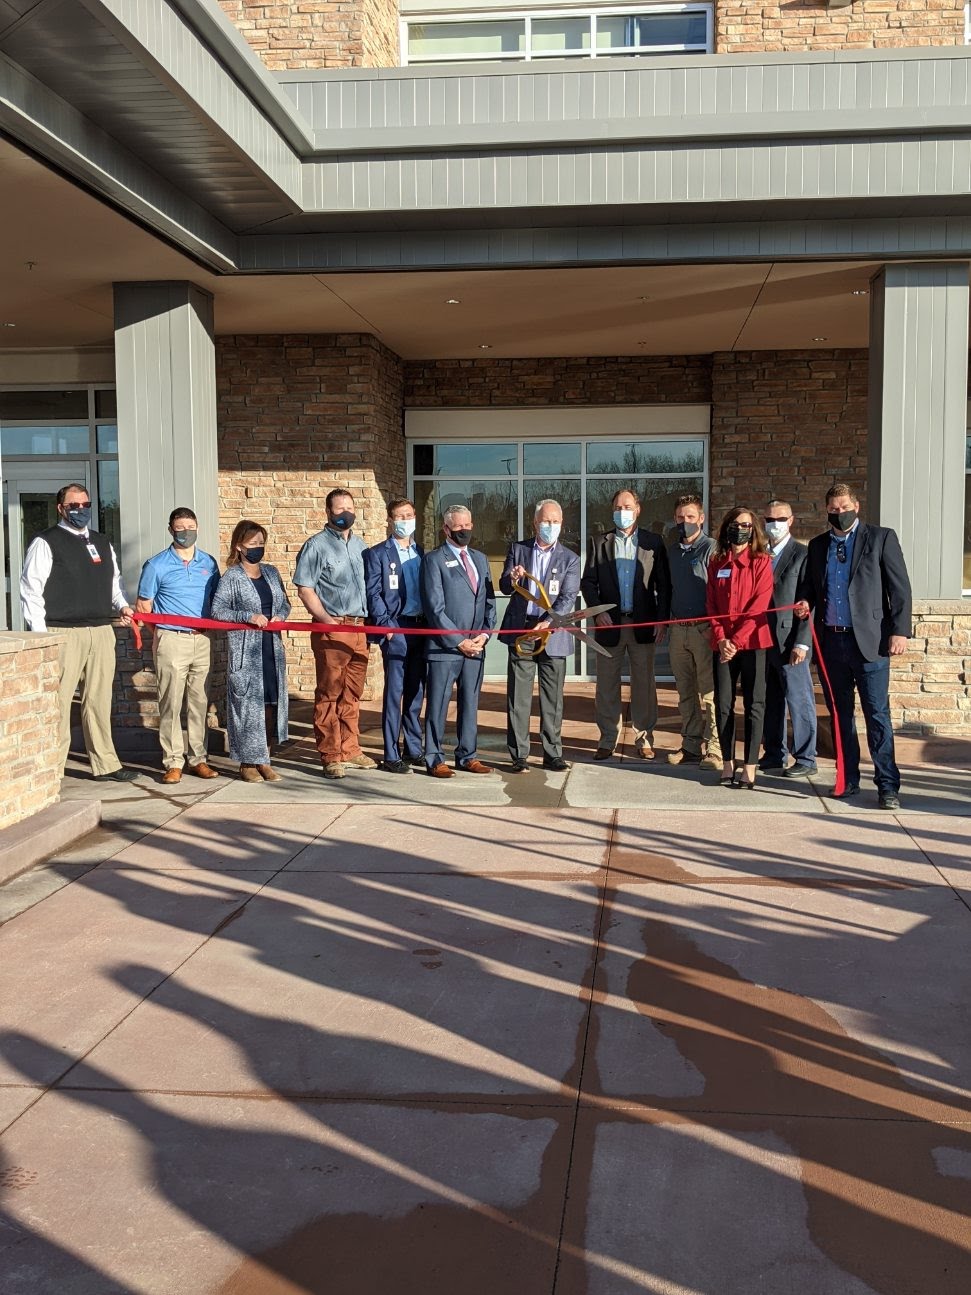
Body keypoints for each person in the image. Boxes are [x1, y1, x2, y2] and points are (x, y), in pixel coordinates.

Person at [794, 483, 912, 810]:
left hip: (870, 643)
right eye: (833, 509)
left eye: (845, 508)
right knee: (840, 716)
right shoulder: (817, 546)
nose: (839, 514)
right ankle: (848, 779)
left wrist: (899, 632)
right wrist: (804, 603)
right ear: (827, 510)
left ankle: (887, 786)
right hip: (832, 642)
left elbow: (900, 589)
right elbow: (810, 589)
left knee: (877, 716)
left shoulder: (881, 538)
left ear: (856, 507)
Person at [19, 482, 137, 781]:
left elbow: (114, 584)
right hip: (63, 632)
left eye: (85, 505)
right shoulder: (46, 542)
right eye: (74, 506)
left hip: (100, 630)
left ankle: (105, 764)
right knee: (57, 702)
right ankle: (52, 768)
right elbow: (31, 591)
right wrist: (41, 636)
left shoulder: (101, 541)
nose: (81, 510)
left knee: (98, 701)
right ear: (61, 508)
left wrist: (123, 605)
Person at [580, 488, 671, 761]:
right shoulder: (600, 542)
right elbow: (588, 582)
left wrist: (661, 621)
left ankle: (644, 738)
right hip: (610, 627)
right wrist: (597, 612)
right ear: (612, 511)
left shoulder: (653, 542)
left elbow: (664, 586)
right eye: (618, 507)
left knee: (644, 685)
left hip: (642, 624)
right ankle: (608, 738)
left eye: (628, 506)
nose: (623, 512)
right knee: (606, 685)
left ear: (638, 509)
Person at [294, 488, 376, 780]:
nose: (346, 514)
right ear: (328, 513)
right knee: (330, 693)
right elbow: (305, 589)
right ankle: (331, 755)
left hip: (359, 627)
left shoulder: (361, 545)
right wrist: (328, 621)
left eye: (350, 508)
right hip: (333, 628)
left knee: (352, 693)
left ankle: (351, 749)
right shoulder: (316, 546)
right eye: (339, 509)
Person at [136, 508, 221, 784]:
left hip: (202, 639)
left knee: (199, 702)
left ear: (198, 527)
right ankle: (173, 761)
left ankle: (198, 758)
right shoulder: (156, 565)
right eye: (180, 527)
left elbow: (217, 602)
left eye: (191, 526)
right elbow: (144, 607)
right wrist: (161, 634)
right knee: (171, 702)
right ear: (171, 530)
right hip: (171, 639)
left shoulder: (209, 563)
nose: (186, 532)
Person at [499, 498, 580, 773]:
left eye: (556, 522)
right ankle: (519, 755)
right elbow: (504, 587)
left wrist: (547, 622)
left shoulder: (570, 558)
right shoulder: (518, 549)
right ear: (535, 523)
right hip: (522, 631)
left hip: (552, 634)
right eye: (546, 521)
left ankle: (552, 753)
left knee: (552, 699)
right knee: (518, 698)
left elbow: (568, 597)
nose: (550, 526)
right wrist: (512, 577)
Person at [210, 521, 290, 783]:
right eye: (252, 544)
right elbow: (218, 610)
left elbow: (285, 603)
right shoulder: (232, 576)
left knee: (269, 705)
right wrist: (248, 616)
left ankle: (265, 759)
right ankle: (247, 762)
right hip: (247, 650)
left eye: (261, 543)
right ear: (239, 546)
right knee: (247, 707)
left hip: (271, 648)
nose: (258, 548)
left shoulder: (271, 572)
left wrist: (280, 614)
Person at [421, 504, 496, 778]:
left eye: (468, 525)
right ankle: (434, 757)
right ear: (446, 529)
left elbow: (489, 601)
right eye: (458, 526)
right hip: (445, 649)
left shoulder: (480, 559)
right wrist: (457, 641)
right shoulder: (434, 560)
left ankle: (468, 755)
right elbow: (434, 608)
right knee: (438, 703)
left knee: (470, 702)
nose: (464, 530)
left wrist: (484, 635)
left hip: (476, 648)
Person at [706, 507, 774, 790]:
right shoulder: (716, 561)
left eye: (746, 524)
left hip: (753, 642)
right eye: (736, 524)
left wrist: (737, 641)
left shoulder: (761, 562)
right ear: (727, 528)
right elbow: (710, 604)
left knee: (754, 705)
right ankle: (727, 764)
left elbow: (759, 606)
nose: (741, 529)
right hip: (722, 645)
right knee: (723, 704)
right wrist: (722, 639)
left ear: (753, 530)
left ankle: (750, 767)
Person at [657, 494, 720, 771]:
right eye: (681, 518)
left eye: (691, 517)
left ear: (701, 518)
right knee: (685, 692)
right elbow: (667, 590)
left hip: (704, 630)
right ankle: (691, 745)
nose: (685, 522)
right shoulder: (671, 551)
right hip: (678, 630)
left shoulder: (712, 549)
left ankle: (715, 749)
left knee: (710, 693)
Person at [364, 497, 426, 774]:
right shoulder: (377, 554)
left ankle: (414, 749)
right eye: (399, 516)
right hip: (396, 628)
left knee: (416, 691)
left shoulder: (421, 553)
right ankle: (391, 753)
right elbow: (373, 592)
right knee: (394, 693)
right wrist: (386, 626)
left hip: (421, 627)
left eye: (409, 515)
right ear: (390, 520)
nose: (405, 520)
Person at [760, 500, 817, 780]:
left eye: (780, 518)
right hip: (762, 639)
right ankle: (774, 754)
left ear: (791, 520)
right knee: (771, 700)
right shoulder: (759, 554)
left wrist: (802, 642)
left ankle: (806, 757)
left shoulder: (802, 555)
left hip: (790, 640)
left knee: (799, 699)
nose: (774, 524)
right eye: (769, 519)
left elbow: (810, 603)